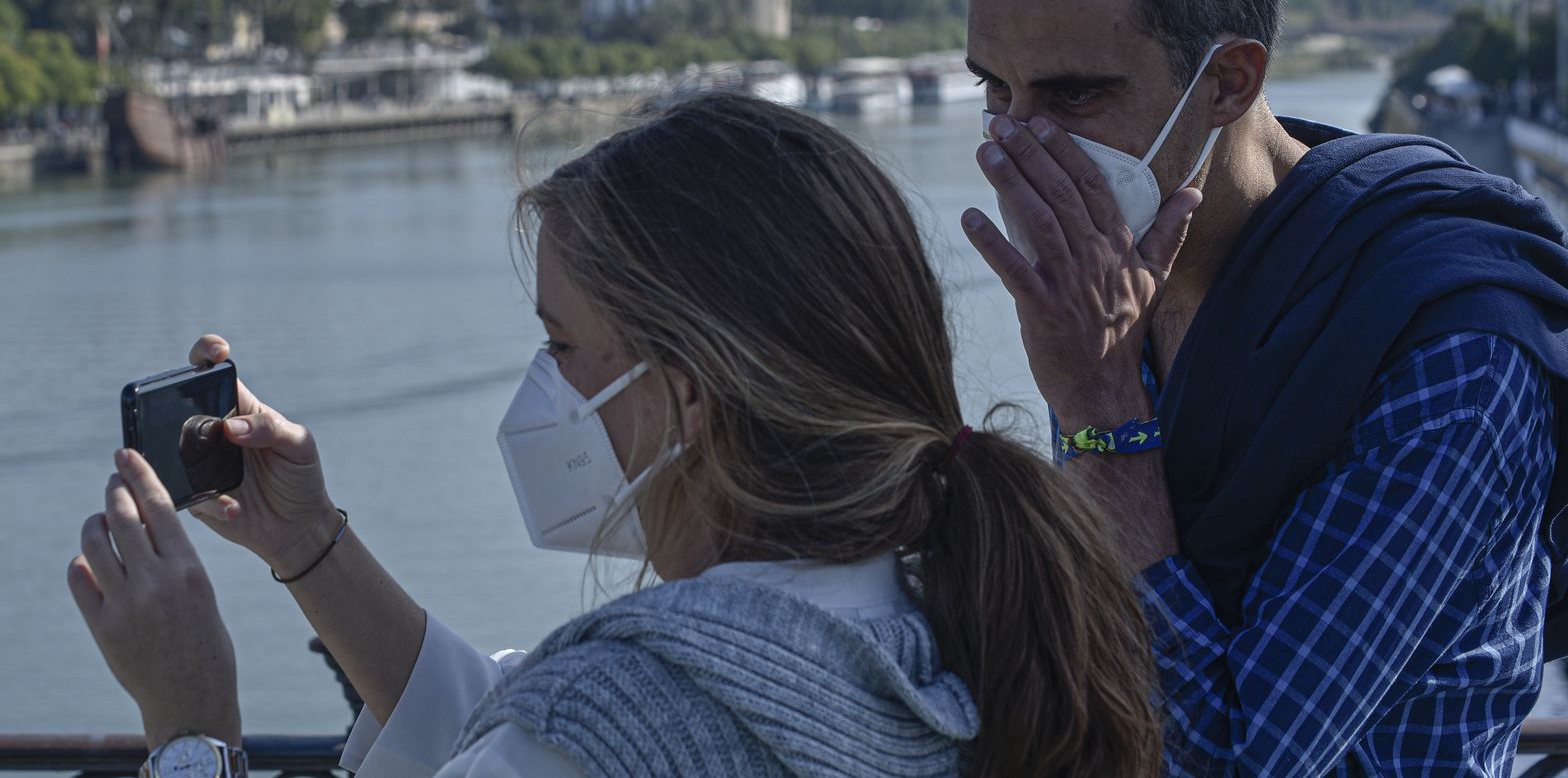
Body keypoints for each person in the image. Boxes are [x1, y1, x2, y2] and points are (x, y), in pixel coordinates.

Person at [67, 94, 1164, 778]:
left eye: (562, 342)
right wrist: (311, 549)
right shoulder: (965, 627)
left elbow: (557, 735)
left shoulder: (605, 722)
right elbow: (507, 718)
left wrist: (191, 727)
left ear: (684, 396)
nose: (543, 383)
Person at [959, 0, 1568, 775]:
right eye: (995, 90)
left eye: (1074, 96)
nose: (1017, 147)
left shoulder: (1448, 346)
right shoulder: (1119, 273)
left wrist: (1101, 413)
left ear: (1230, 80)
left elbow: (1243, 762)